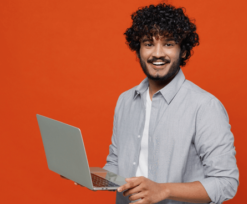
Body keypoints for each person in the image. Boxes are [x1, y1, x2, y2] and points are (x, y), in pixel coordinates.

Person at [102, 3, 239, 204]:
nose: (157, 53)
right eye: (148, 43)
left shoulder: (205, 106)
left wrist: (163, 190)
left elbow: (226, 183)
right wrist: (91, 177)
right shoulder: (125, 101)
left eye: (168, 44)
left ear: (183, 51)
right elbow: (116, 164)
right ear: (138, 49)